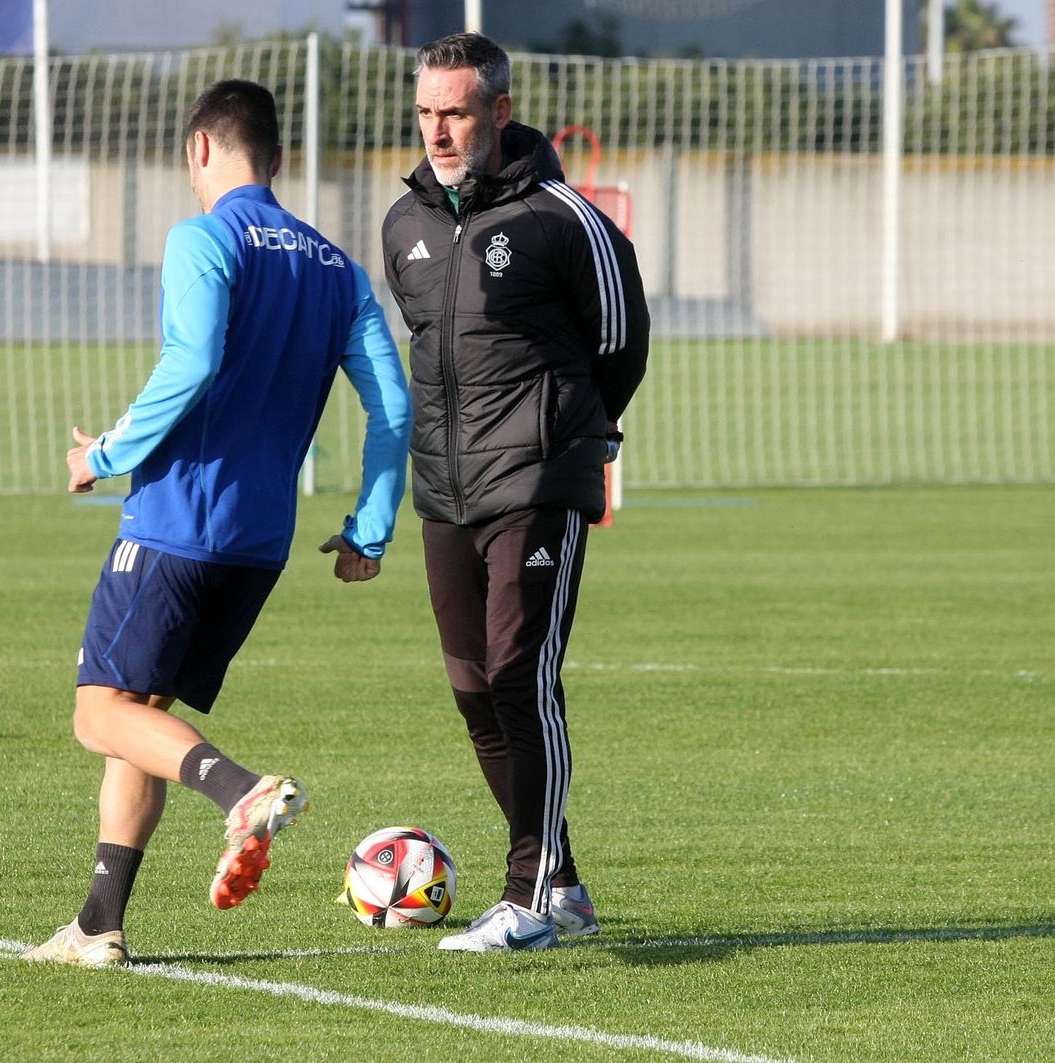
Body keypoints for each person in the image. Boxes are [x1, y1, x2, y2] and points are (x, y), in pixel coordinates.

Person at [24, 79, 413, 968]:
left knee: (99, 714)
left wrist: (103, 455)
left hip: (173, 521)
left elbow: (191, 361)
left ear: (201, 149)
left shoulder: (202, 238)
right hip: (260, 541)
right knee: (145, 714)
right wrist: (370, 530)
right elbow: (394, 406)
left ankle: (241, 790)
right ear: (275, 159)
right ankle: (98, 925)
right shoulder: (337, 269)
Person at [381, 32, 650, 953]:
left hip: (537, 479)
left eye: (455, 111)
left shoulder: (561, 217)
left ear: (499, 110)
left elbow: (621, 339)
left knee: (519, 674)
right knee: (472, 689)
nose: (439, 130)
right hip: (444, 489)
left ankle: (528, 895)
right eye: (426, 112)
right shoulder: (403, 226)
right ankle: (562, 881)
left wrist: (568, 433)